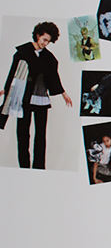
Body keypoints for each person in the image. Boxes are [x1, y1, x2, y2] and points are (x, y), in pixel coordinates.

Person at [0, 21, 73, 169]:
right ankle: (24, 167)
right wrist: (6, 89)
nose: (46, 44)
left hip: (41, 99)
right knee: (22, 134)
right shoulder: (22, 52)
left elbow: (53, 77)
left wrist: (63, 93)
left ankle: (39, 167)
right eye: (44, 40)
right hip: (23, 98)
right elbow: (13, 74)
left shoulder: (49, 58)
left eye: (49, 41)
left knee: (41, 136)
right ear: (38, 35)